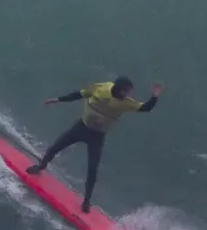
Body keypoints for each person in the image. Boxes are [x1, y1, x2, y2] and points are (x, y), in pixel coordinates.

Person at [29, 76, 163, 213]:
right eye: (126, 91)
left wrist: (155, 96)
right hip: (81, 127)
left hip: (97, 137)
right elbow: (81, 94)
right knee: (56, 147)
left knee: (92, 169)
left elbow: (146, 108)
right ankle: (40, 167)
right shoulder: (101, 88)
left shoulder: (125, 103)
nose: (129, 95)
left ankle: (86, 201)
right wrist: (58, 99)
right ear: (118, 89)